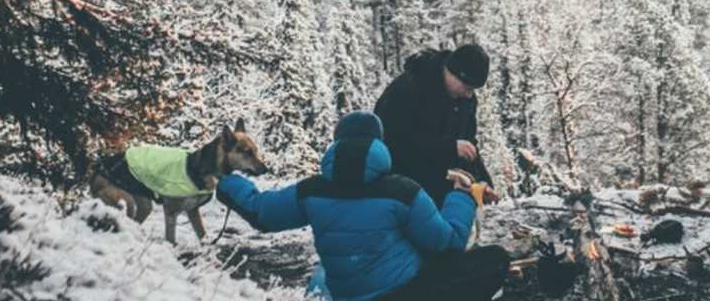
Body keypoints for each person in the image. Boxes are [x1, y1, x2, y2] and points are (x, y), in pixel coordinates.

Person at [216, 111, 510, 301]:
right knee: (494, 259)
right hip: (403, 294)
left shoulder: (312, 190)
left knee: (323, 272)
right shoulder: (402, 190)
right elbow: (450, 243)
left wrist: (225, 178)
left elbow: (261, 212)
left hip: (348, 295)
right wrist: (463, 196)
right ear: (378, 145)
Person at [374, 43, 494, 201]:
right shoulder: (407, 90)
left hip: (440, 190)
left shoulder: (464, 100)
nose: (469, 95)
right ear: (452, 73)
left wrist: (483, 182)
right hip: (402, 192)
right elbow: (395, 144)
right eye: (467, 87)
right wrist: (449, 148)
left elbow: (468, 147)